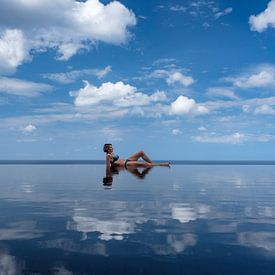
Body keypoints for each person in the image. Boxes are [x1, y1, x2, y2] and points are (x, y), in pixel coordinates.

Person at [103, 144, 170, 176]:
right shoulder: (108, 156)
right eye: (111, 148)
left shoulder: (111, 154)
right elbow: (108, 166)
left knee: (141, 153)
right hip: (127, 164)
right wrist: (109, 173)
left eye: (112, 147)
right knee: (146, 164)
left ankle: (152, 164)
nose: (112, 148)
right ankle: (163, 164)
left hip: (127, 160)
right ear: (107, 149)